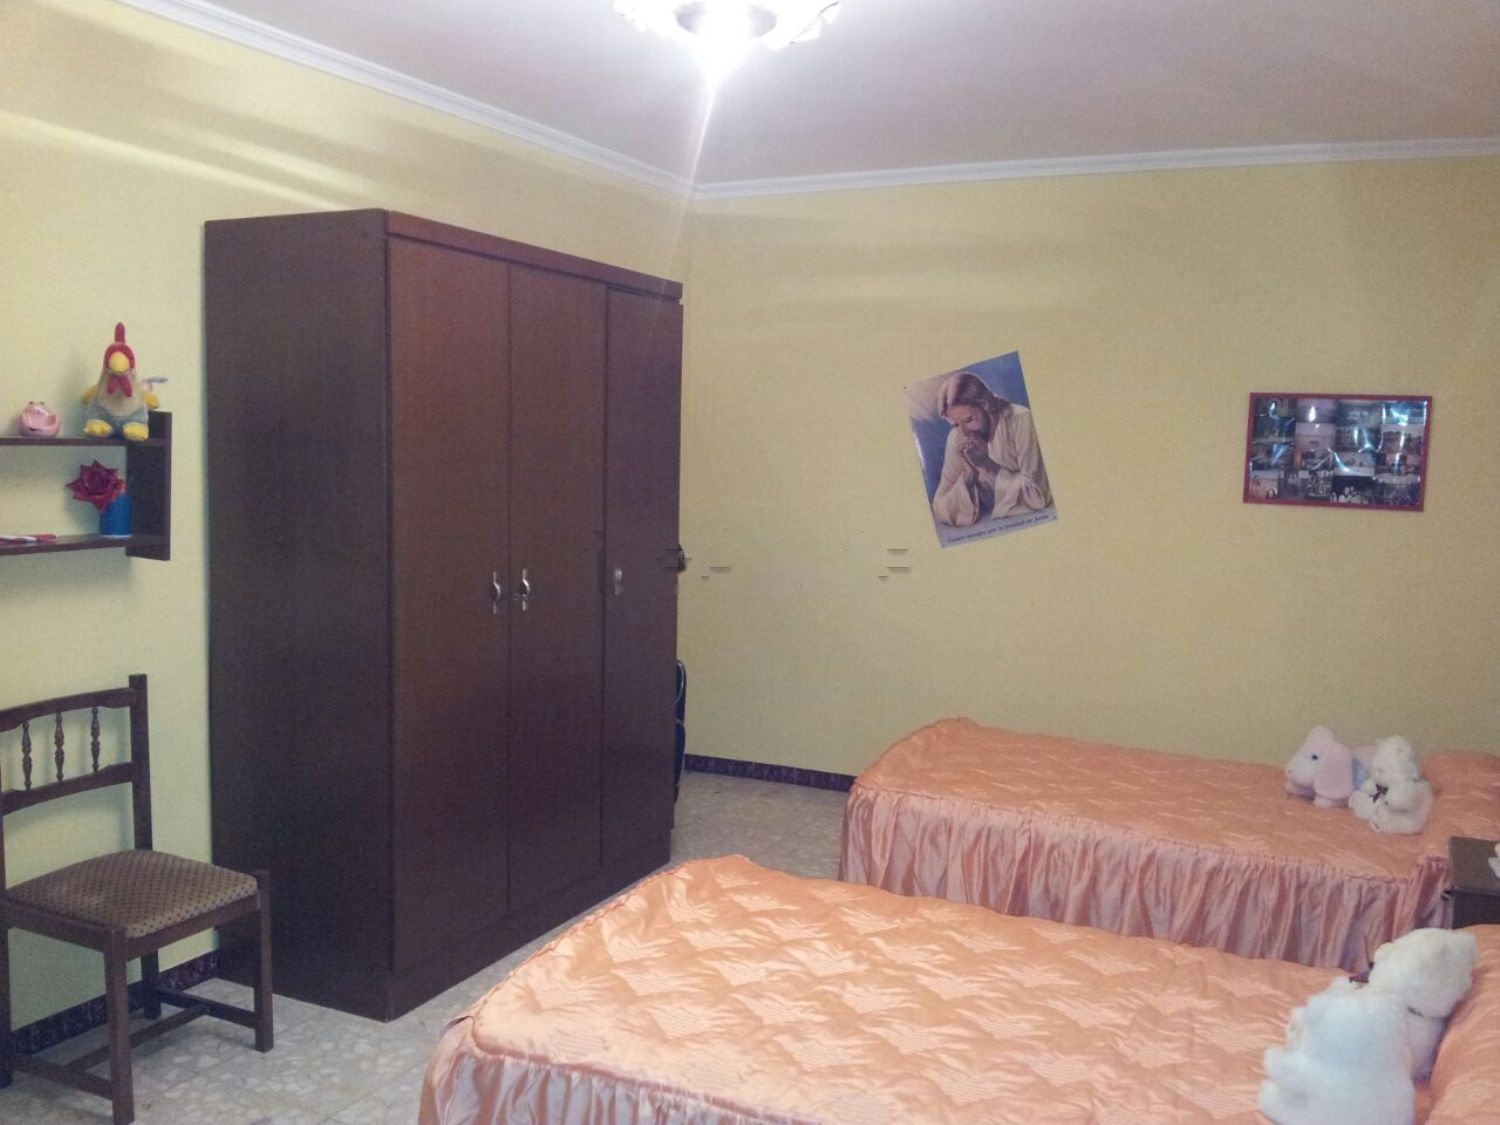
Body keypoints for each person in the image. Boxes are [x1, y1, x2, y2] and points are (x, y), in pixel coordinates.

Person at [930, 371, 1052, 527]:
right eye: (955, 424)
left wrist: (987, 465)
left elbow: (1038, 496)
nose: (964, 432)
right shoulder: (957, 436)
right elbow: (939, 506)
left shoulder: (1020, 420)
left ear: (985, 404)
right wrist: (969, 477)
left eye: (968, 419)